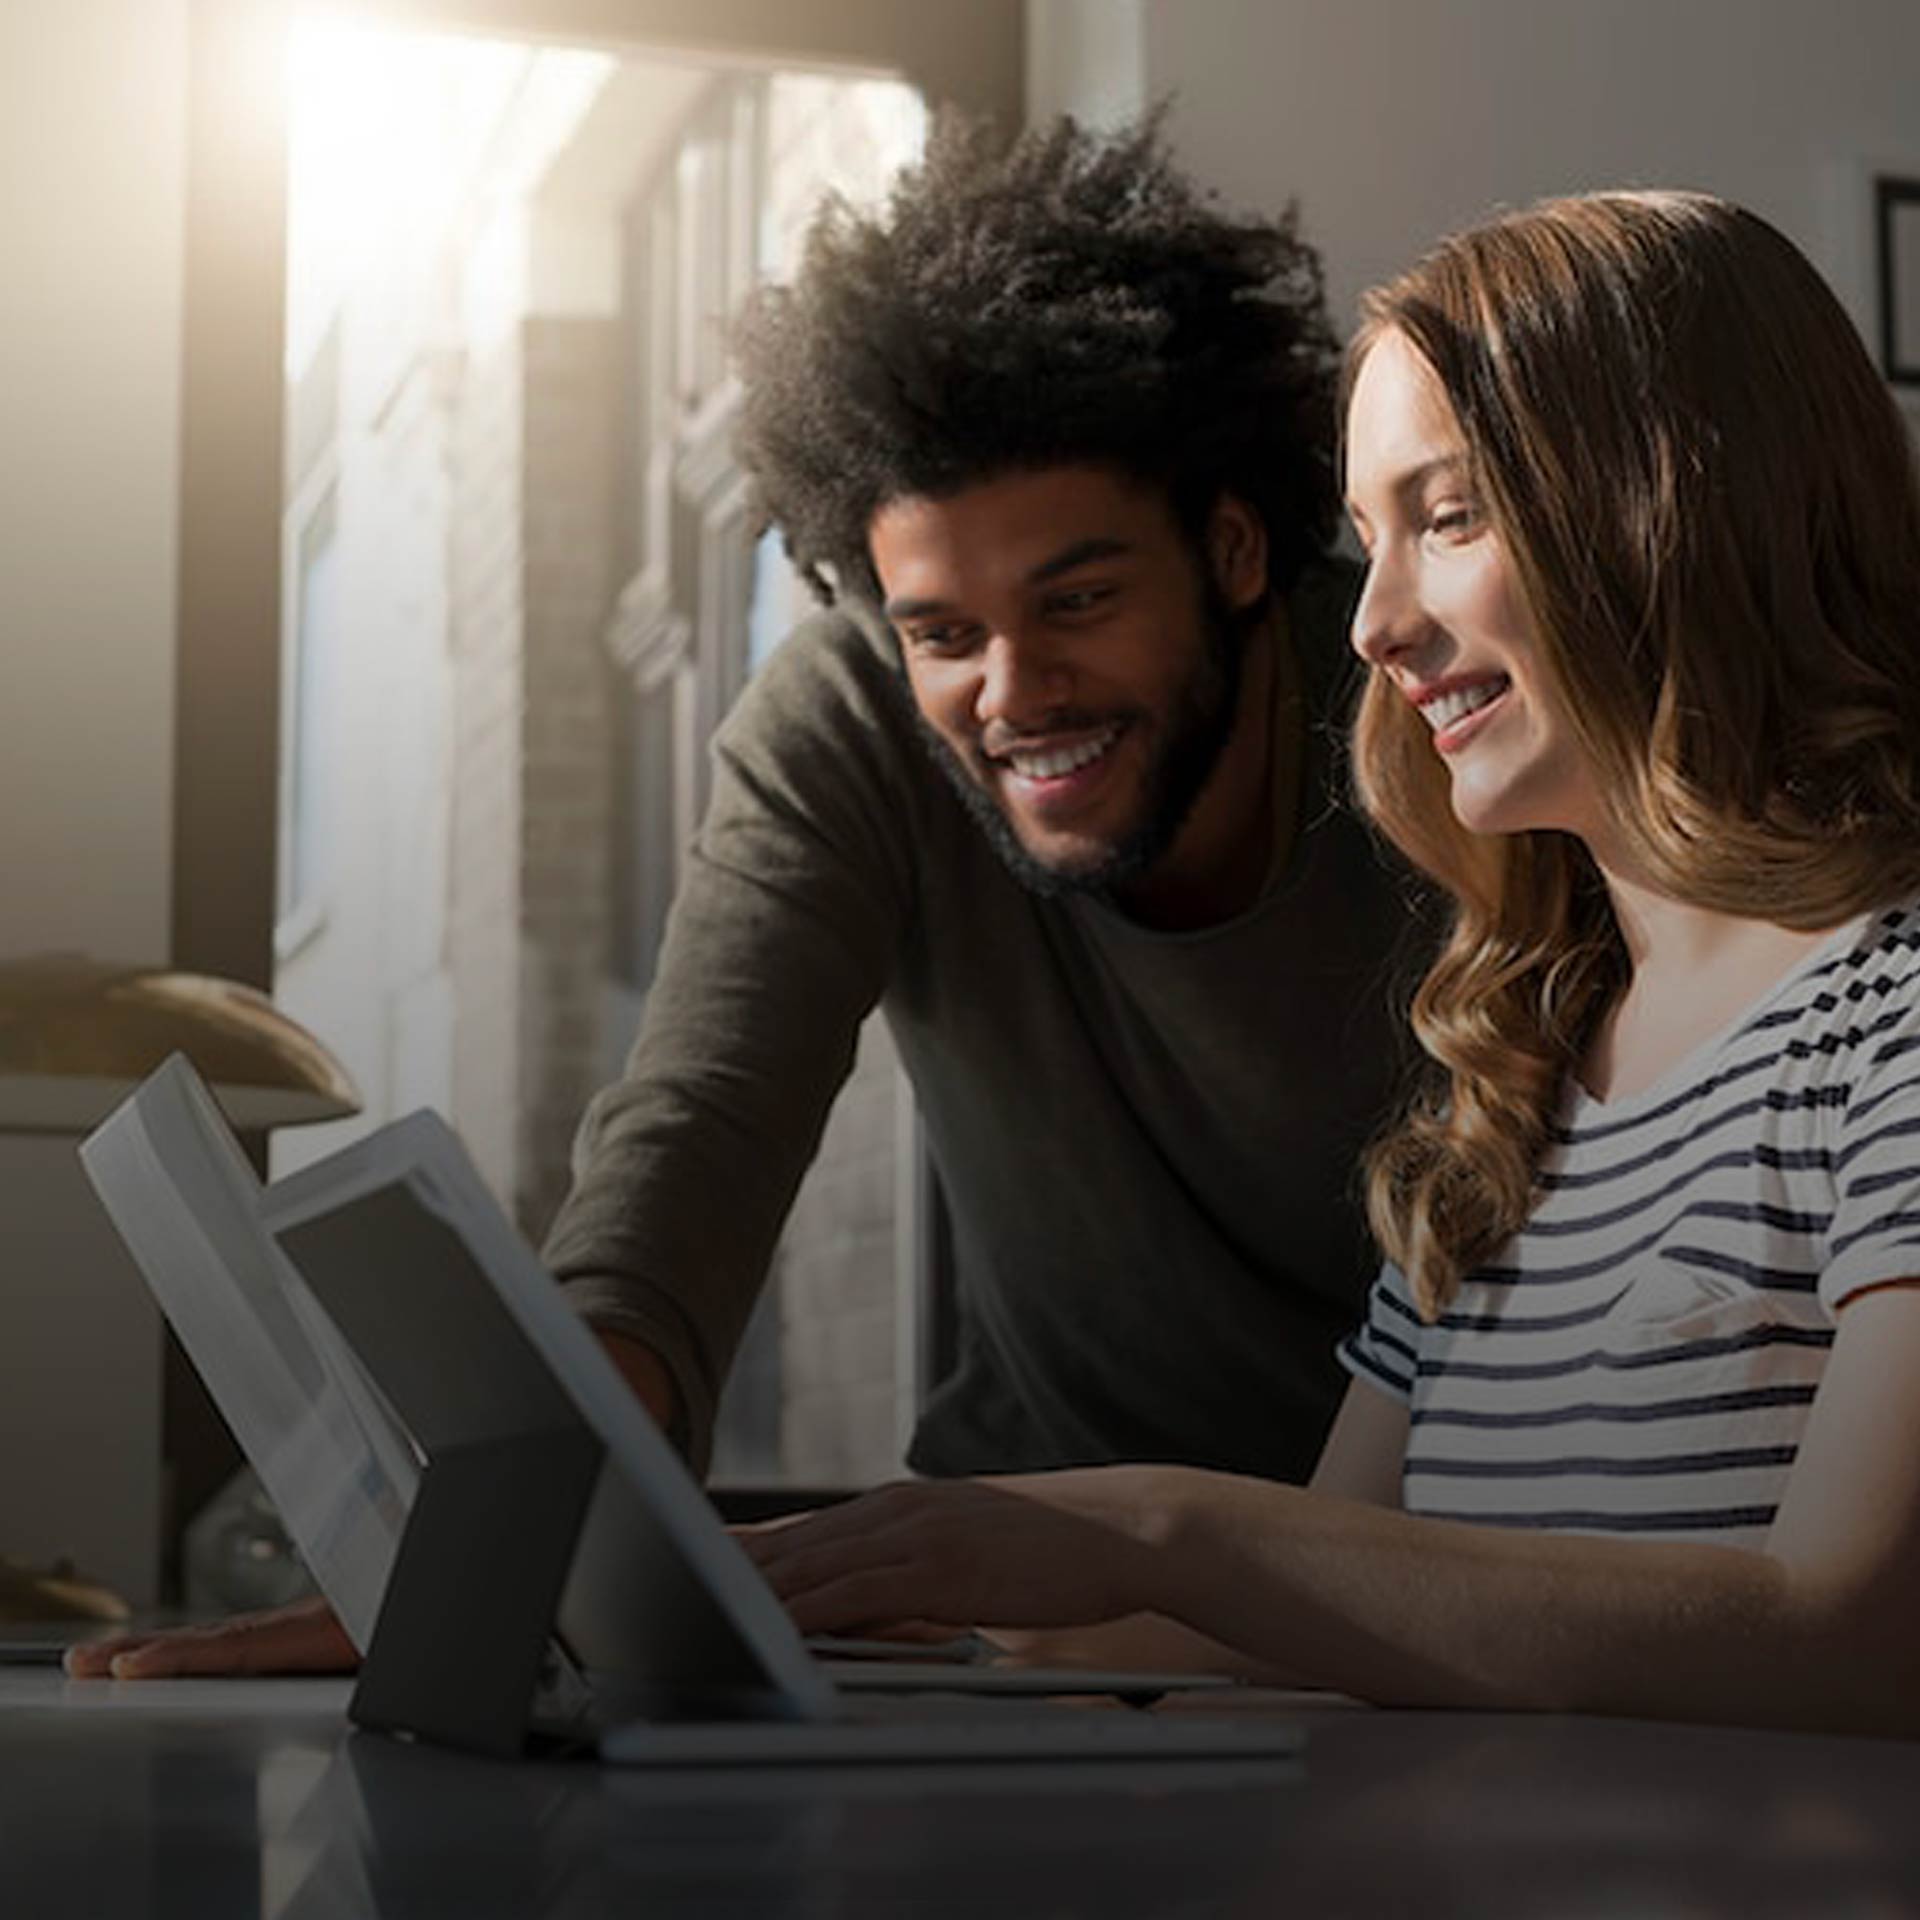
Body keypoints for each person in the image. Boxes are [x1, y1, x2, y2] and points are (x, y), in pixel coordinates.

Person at [71, 114, 1416, 1678]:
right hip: (1015, 1608)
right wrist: (516, 1534)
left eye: (1082, 600)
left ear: (1238, 548)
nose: (1012, 689)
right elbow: (695, 1124)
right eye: (941, 629)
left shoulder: (1426, 715)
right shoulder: (854, 714)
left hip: (1389, 1599)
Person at [737, 190, 1920, 1737]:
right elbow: (1333, 1619)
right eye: (1370, 540)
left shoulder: (1888, 1023)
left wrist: (1157, 1526)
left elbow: (1858, 1636)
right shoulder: (1518, 1086)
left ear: (1674, 509)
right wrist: (869, 1605)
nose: (1371, 625)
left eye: (1449, 517)